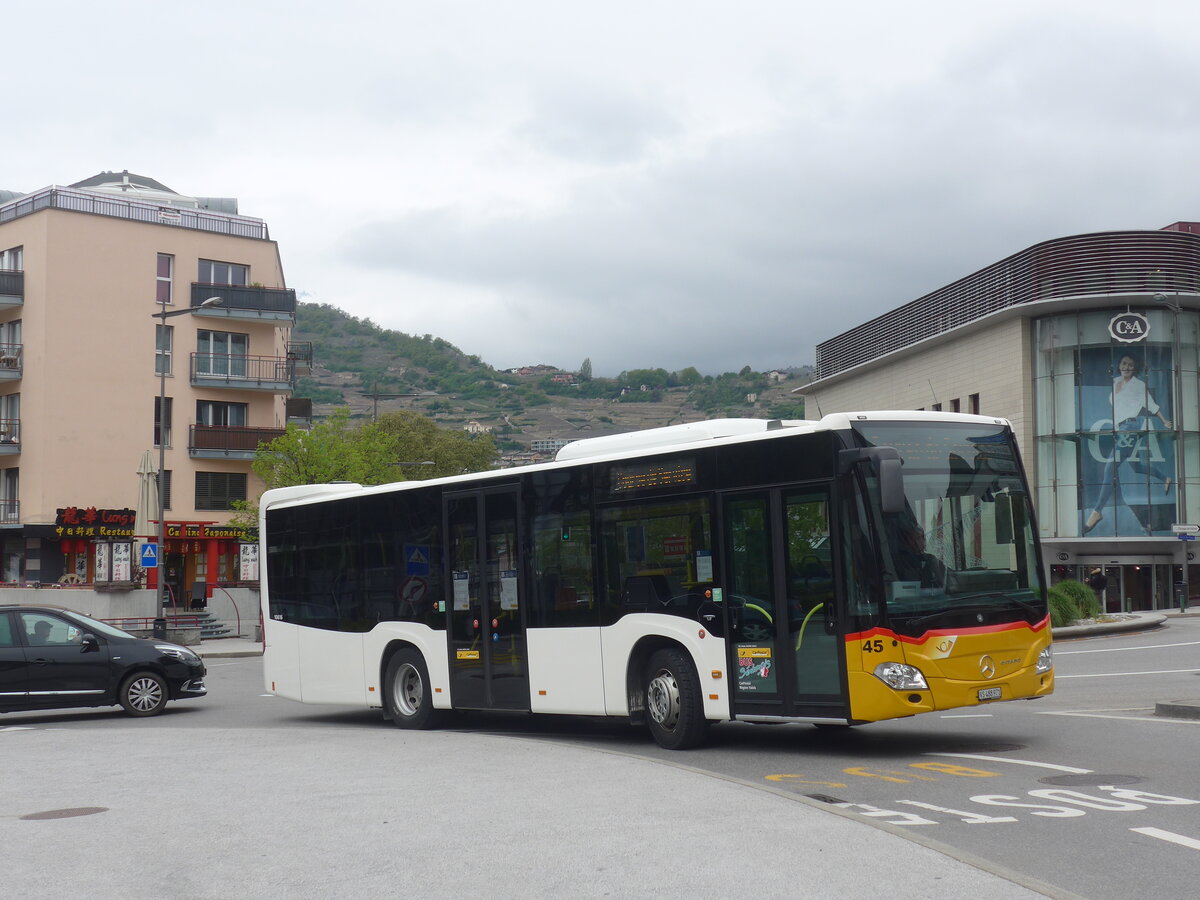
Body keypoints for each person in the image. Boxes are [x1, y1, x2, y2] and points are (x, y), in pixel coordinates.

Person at [1082, 354, 1174, 535]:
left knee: (1110, 468)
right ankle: (1165, 478)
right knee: (1136, 466)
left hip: (1130, 427)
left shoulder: (1138, 385)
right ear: (1119, 365)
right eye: (1124, 363)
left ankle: (1097, 511)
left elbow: (1151, 405)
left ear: (1135, 368)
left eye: (1131, 365)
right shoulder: (1115, 381)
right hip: (1120, 429)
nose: (1126, 367)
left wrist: (1164, 421)